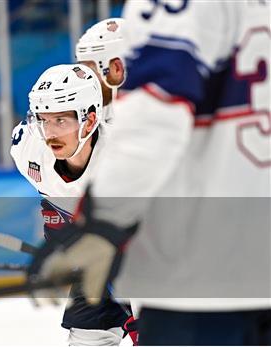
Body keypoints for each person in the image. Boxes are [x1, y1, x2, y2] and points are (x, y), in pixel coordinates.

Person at [28, 1, 271, 345]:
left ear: (117, 67)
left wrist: (100, 224)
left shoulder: (177, 12)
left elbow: (154, 116)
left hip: (198, 272)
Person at [10, 63, 131, 346]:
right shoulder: (28, 150)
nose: (49, 132)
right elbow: (59, 208)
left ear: (89, 122)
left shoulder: (125, 160)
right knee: (87, 338)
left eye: (61, 121)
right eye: (42, 119)